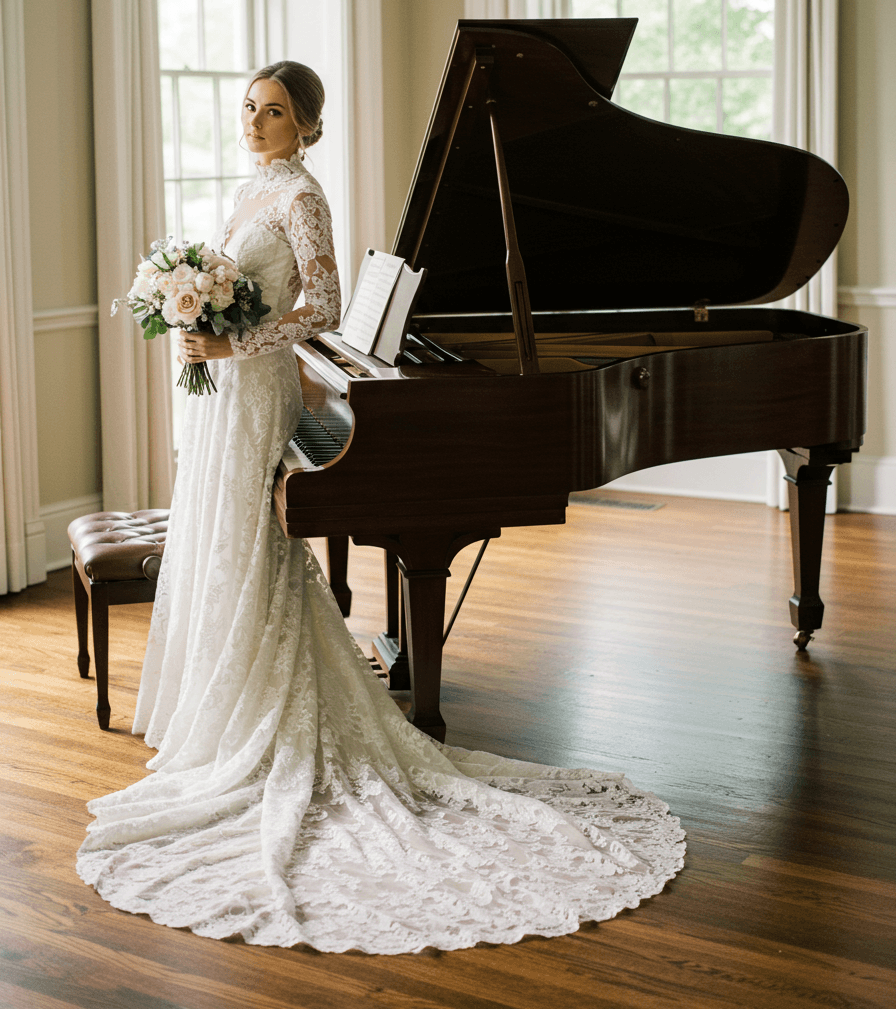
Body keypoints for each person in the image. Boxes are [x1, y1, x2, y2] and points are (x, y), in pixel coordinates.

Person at [77, 61, 685, 953]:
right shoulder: (252, 188)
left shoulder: (304, 199)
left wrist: (234, 335)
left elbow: (321, 306)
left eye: (273, 111)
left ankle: (268, 718)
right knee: (232, 539)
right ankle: (229, 710)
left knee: (255, 540)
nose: (254, 120)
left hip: (259, 389)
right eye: (248, 107)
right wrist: (193, 320)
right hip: (227, 393)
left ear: (307, 126)